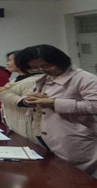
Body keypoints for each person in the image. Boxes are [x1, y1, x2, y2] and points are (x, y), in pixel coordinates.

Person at [16, 44, 97, 178]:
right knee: (56, 176)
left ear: (59, 60)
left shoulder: (84, 78)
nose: (42, 70)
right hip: (45, 134)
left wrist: (54, 103)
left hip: (74, 138)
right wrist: (29, 99)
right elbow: (29, 96)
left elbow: (94, 105)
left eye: (46, 66)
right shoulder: (45, 78)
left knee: (76, 178)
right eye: (35, 68)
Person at [0, 51, 43, 144]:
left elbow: (25, 102)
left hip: (26, 127)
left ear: (22, 61)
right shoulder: (16, 79)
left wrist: (2, 93)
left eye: (10, 60)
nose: (7, 63)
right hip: (13, 124)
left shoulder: (33, 81)